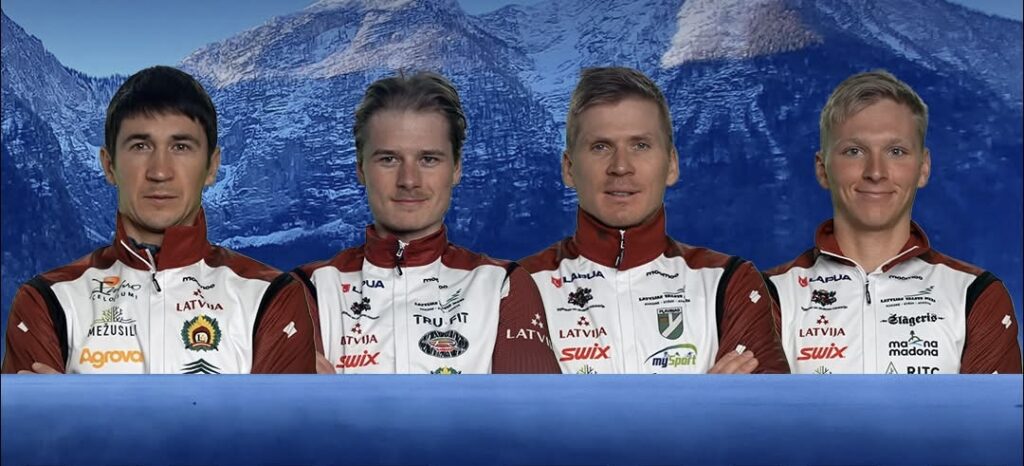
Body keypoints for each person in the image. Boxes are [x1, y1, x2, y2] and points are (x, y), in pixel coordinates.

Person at [2, 66, 315, 374]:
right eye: (140, 146)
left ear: (211, 167)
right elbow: (28, 419)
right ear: (109, 166)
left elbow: (282, 413)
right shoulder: (47, 300)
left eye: (181, 147)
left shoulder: (272, 296)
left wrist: (74, 405)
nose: (160, 172)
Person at [519, 67, 788, 374]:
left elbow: (765, 404)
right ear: (569, 169)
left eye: (640, 145)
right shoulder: (519, 287)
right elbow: (510, 408)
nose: (621, 167)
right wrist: (706, 398)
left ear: (671, 164)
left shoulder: (729, 282)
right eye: (601, 147)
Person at [288, 71, 559, 374]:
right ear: (361, 169)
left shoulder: (503, 285)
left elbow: (531, 402)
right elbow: (287, 404)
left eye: (428, 159)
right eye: (388, 159)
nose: (409, 180)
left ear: (456, 168)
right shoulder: (306, 288)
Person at [764, 70, 1022, 374]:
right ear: (823, 169)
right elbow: (748, 405)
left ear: (923, 168)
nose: (876, 172)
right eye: (854, 151)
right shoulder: (768, 294)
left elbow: (991, 409)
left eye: (896, 151)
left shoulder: (975, 294)